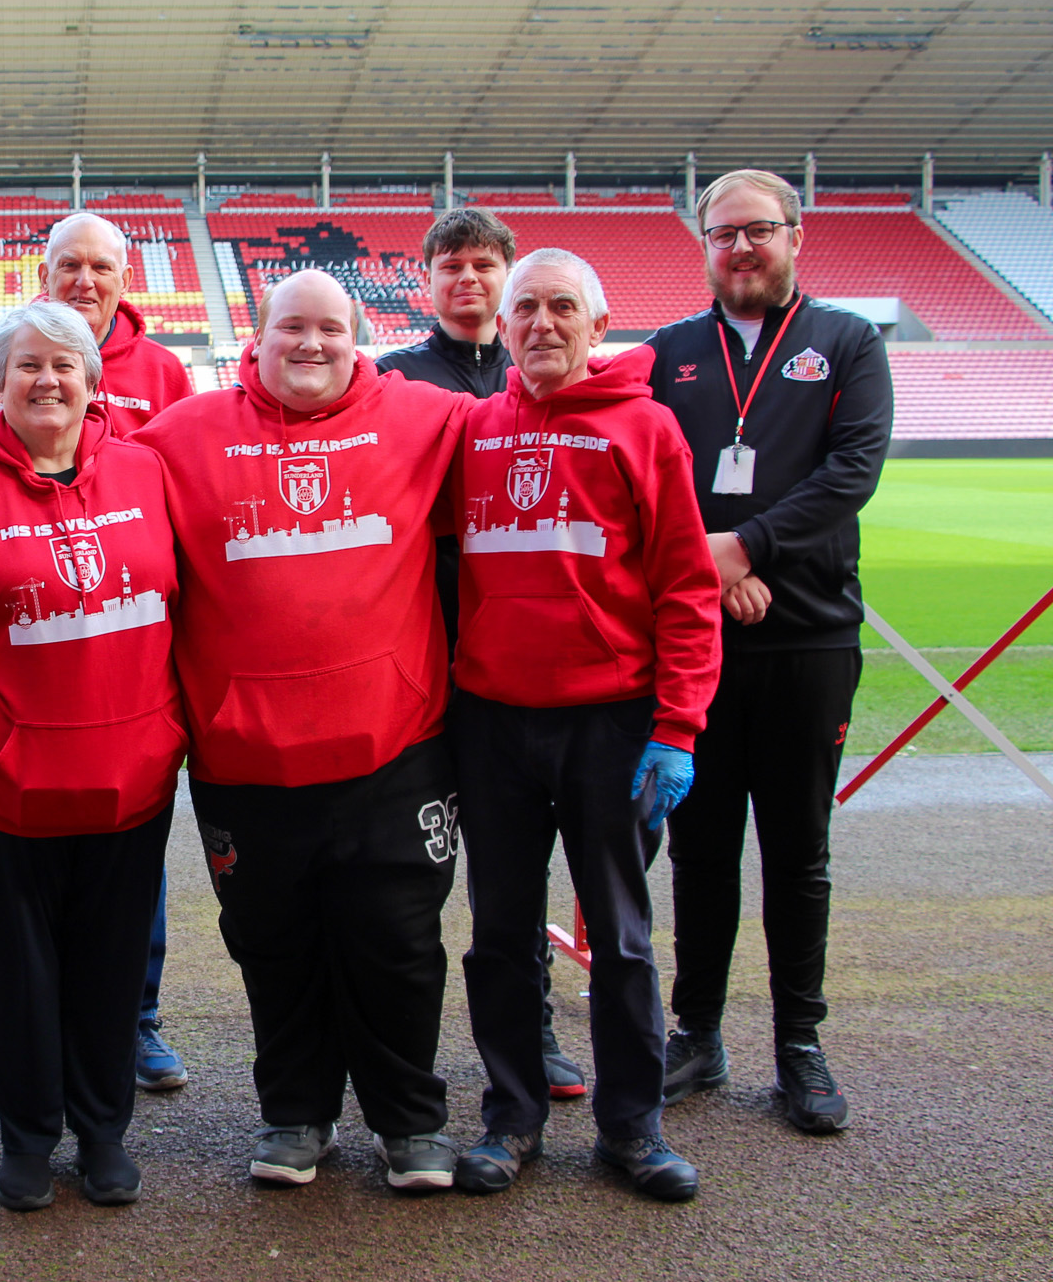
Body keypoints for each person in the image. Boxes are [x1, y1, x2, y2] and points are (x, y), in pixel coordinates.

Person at [131, 269, 469, 1193]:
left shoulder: (429, 417)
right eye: (292, 329)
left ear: (359, 335)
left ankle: (411, 1122)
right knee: (274, 944)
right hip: (247, 758)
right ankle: (295, 1113)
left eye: (329, 329)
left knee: (397, 942)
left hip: (393, 749)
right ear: (258, 334)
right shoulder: (177, 438)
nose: (310, 345)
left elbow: (553, 437)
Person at [0, 302, 186, 1214]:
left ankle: (103, 1132)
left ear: (94, 380)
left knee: (108, 963)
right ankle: (27, 1133)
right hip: (4, 786)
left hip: (130, 779)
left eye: (65, 365)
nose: (48, 381)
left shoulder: (149, 472)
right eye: (28, 366)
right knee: (19, 966)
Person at [447, 250, 722, 1203]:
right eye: (525, 308)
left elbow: (689, 588)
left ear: (599, 326)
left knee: (622, 935)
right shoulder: (476, 427)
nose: (542, 324)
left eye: (564, 307)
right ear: (503, 325)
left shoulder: (646, 428)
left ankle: (630, 1128)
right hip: (493, 723)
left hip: (611, 723)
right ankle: (512, 1118)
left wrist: (677, 727)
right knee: (499, 934)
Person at [647, 169, 894, 1133]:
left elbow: (854, 467)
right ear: (702, 244)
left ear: (797, 236)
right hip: (699, 644)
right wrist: (711, 567)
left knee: (798, 850)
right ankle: (697, 1032)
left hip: (810, 636)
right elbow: (651, 473)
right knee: (701, 848)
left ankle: (799, 1041)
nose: (740, 248)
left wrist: (747, 548)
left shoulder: (847, 342)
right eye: (723, 234)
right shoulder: (669, 352)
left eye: (758, 231)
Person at [0, 210, 196, 1093]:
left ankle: (137, 1021)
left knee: (132, 867)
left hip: (123, 657)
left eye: (100, 266)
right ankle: (23, 1040)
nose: (84, 279)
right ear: (42, 272)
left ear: (124, 278)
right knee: (22, 884)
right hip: (29, 668)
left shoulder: (163, 370)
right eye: (68, 265)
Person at [378, 208, 589, 1103]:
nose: (468, 279)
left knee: (537, 857)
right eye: (451, 265)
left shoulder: (549, 368)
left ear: (507, 279)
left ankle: (532, 1030)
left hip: (539, 659)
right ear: (427, 281)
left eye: (483, 265)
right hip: (433, 653)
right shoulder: (391, 378)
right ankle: (403, 1048)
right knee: (433, 861)